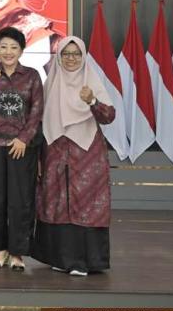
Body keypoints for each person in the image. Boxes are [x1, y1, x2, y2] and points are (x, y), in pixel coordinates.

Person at [33, 36, 115, 276]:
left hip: (87, 154)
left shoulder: (92, 82)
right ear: (58, 57)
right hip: (55, 152)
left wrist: (91, 100)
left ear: (83, 57)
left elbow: (109, 116)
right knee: (56, 202)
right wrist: (38, 157)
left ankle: (84, 261)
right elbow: (38, 120)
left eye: (76, 54)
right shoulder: (50, 83)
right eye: (66, 54)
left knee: (86, 202)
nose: (71, 58)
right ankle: (59, 258)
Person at [0, 26, 43, 272]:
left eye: (13, 47)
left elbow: (37, 112)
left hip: (21, 147)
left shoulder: (32, 76)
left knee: (21, 199)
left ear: (22, 50)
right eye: (3, 47)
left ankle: (17, 252)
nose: (8, 52)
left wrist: (24, 139)